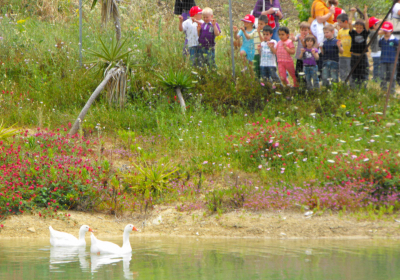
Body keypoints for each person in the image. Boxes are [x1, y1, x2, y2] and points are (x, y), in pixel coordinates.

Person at [349, 6, 369, 88]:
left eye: (361, 28)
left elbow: (367, 23)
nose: (359, 29)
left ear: (363, 28)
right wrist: (352, 13)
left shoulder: (365, 33)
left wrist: (365, 13)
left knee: (363, 72)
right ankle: (355, 89)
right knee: (354, 72)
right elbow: (349, 23)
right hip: (354, 56)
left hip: (363, 56)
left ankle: (363, 88)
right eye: (357, 27)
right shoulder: (353, 33)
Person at [379, 21, 399, 94]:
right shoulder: (381, 40)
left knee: (392, 76)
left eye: (388, 31)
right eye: (385, 30)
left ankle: (392, 91)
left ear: (391, 31)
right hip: (383, 60)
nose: (386, 32)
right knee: (382, 75)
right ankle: (383, 90)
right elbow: (380, 46)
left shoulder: (395, 40)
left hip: (392, 61)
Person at [290, 22, 312, 86]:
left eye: (305, 30)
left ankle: (306, 85)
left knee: (305, 73)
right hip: (299, 57)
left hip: (306, 58)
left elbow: (306, 46)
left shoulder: (309, 37)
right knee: (298, 72)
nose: (303, 32)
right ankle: (300, 85)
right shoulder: (299, 35)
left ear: (308, 30)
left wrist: (302, 40)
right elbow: (295, 39)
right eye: (302, 30)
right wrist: (292, 38)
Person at [336, 13, 352, 82]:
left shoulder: (351, 30)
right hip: (341, 54)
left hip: (349, 55)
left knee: (350, 69)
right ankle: (343, 83)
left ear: (345, 21)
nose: (338, 24)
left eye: (340, 22)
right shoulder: (340, 31)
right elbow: (338, 40)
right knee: (342, 69)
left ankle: (351, 83)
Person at [254, 15, 269, 79]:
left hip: (264, 54)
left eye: (261, 24)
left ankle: (265, 82)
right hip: (256, 53)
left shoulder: (267, 32)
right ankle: (257, 83)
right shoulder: (256, 31)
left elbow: (263, 41)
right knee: (256, 69)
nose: (259, 25)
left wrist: (259, 33)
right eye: (258, 23)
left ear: (266, 24)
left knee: (263, 70)